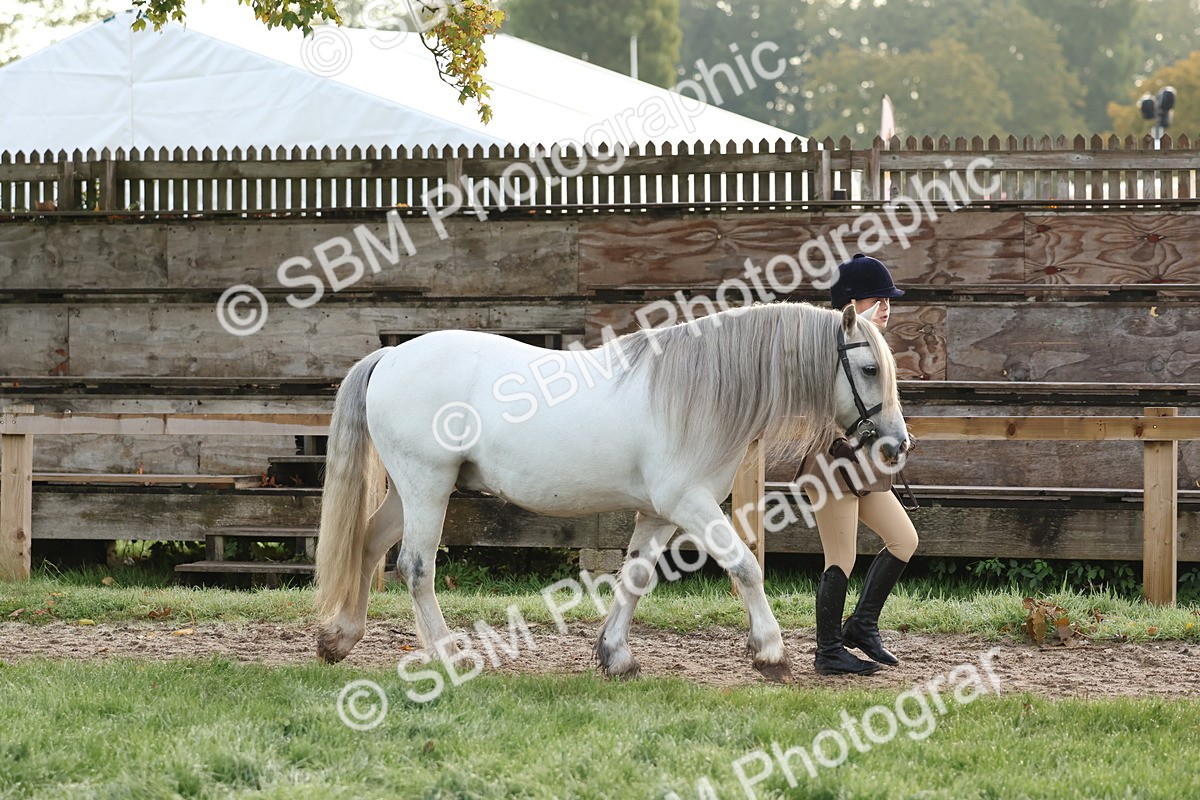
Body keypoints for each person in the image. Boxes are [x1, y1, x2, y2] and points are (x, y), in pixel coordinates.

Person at [804, 253, 919, 676]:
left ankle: (862, 625)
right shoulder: (830, 349)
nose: (887, 306)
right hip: (832, 465)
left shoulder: (870, 346)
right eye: (878, 299)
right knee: (841, 558)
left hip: (863, 468)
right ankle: (828, 651)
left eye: (889, 300)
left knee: (904, 540)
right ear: (853, 305)